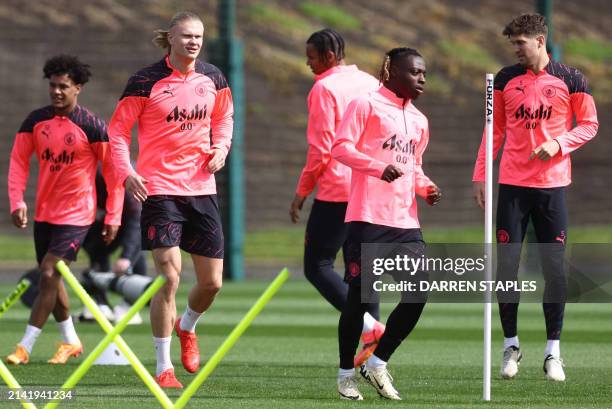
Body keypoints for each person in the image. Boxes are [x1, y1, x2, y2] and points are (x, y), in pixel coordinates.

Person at [108, 11, 233, 388]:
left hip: (201, 189)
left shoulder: (213, 77)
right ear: (171, 39)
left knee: (212, 283)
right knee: (168, 276)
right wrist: (127, 172)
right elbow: (117, 132)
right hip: (159, 189)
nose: (193, 42)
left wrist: (221, 147)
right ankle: (163, 367)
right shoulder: (145, 81)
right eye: (186, 36)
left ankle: (187, 326)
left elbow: (225, 117)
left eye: (198, 36)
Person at [472, 13, 598, 382]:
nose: (516, 50)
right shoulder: (505, 79)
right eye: (513, 44)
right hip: (511, 186)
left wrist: (559, 143)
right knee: (507, 269)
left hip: (553, 186)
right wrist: (482, 174)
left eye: (520, 43)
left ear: (540, 41)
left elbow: (590, 124)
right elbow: (492, 130)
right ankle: (511, 346)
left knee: (554, 270)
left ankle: (552, 353)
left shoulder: (571, 78)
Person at [331, 47, 441, 400]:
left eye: (424, 73)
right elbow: (340, 148)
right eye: (414, 72)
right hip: (367, 218)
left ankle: (378, 362)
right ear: (391, 70)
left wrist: (426, 187)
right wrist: (378, 167)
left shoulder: (420, 121)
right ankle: (346, 373)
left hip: (406, 222)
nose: (421, 78)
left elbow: (415, 167)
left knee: (419, 291)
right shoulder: (365, 105)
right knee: (359, 301)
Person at [6, 55, 123, 365]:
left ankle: (25, 346)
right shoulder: (34, 122)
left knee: (48, 271)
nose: (57, 92)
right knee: (52, 280)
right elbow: (18, 163)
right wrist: (17, 201)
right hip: (45, 214)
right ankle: (71, 341)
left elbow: (114, 176)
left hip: (77, 215)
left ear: (78, 88)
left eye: (64, 87)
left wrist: (113, 215)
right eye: (53, 86)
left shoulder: (92, 127)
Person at [289, 28, 384, 366]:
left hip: (337, 188)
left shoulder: (324, 88)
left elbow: (321, 150)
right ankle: (375, 350)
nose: (308, 63)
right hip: (371, 185)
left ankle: (369, 325)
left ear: (328, 57)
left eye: (312, 57)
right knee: (362, 271)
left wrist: (302, 192)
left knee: (317, 265)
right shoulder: (371, 82)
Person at [78, 166, 148, 324]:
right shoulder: (85, 175)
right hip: (107, 218)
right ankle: (99, 303)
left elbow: (136, 221)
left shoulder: (126, 181)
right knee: (96, 249)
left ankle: (130, 307)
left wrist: (126, 257)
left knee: (137, 252)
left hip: (134, 216)